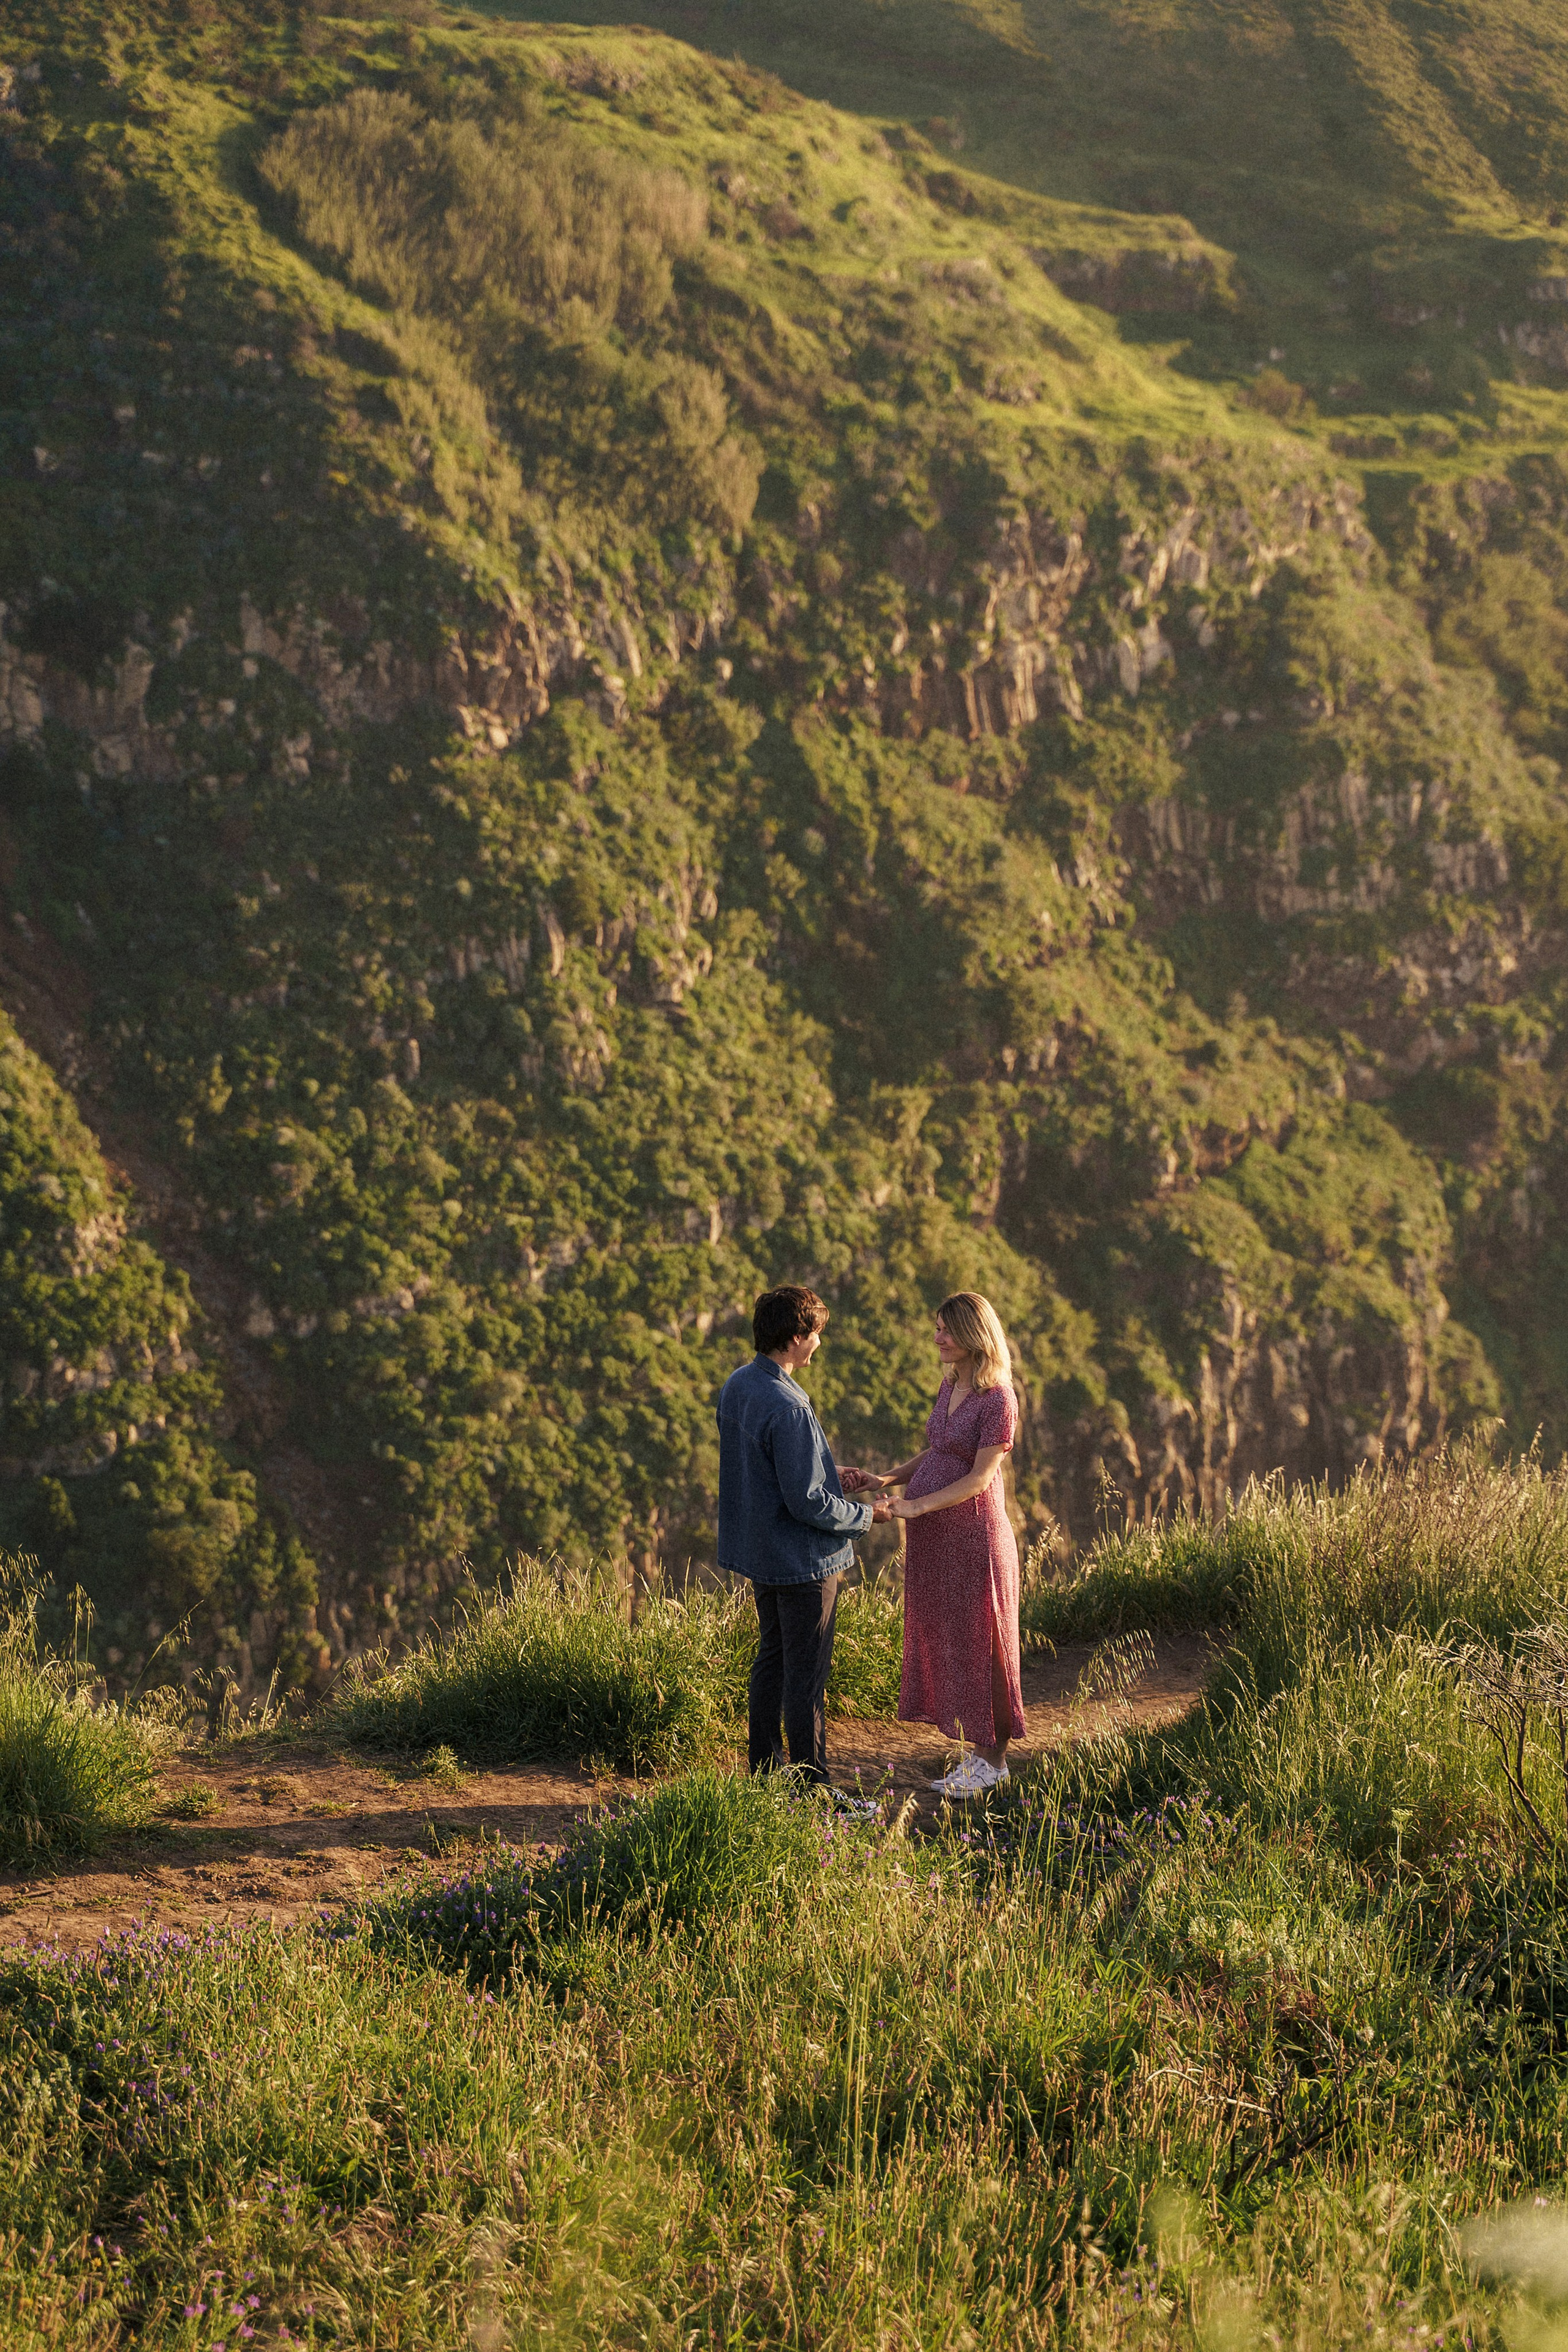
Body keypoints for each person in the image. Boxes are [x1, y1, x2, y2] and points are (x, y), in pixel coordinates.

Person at [840, 1291, 1025, 1798]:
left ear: (973, 1335)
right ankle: (979, 1750)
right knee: (956, 1639)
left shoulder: (998, 1399)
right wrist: (886, 1480)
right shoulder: (951, 1387)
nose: (937, 1337)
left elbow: (980, 1478)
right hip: (936, 1539)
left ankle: (995, 1759)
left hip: (974, 1537)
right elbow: (939, 1451)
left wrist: (917, 1506)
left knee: (986, 1642)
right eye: (937, 1327)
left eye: (946, 1329)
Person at [717, 1284, 891, 1806]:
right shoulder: (790, 1406)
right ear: (795, 1338)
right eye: (816, 1336)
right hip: (803, 1563)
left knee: (771, 1662)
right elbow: (808, 1506)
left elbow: (767, 1470)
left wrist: (829, 1474)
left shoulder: (739, 1385)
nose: (819, 1345)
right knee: (806, 1678)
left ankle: (768, 1780)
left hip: (763, 1554)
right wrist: (867, 1515)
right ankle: (814, 1793)